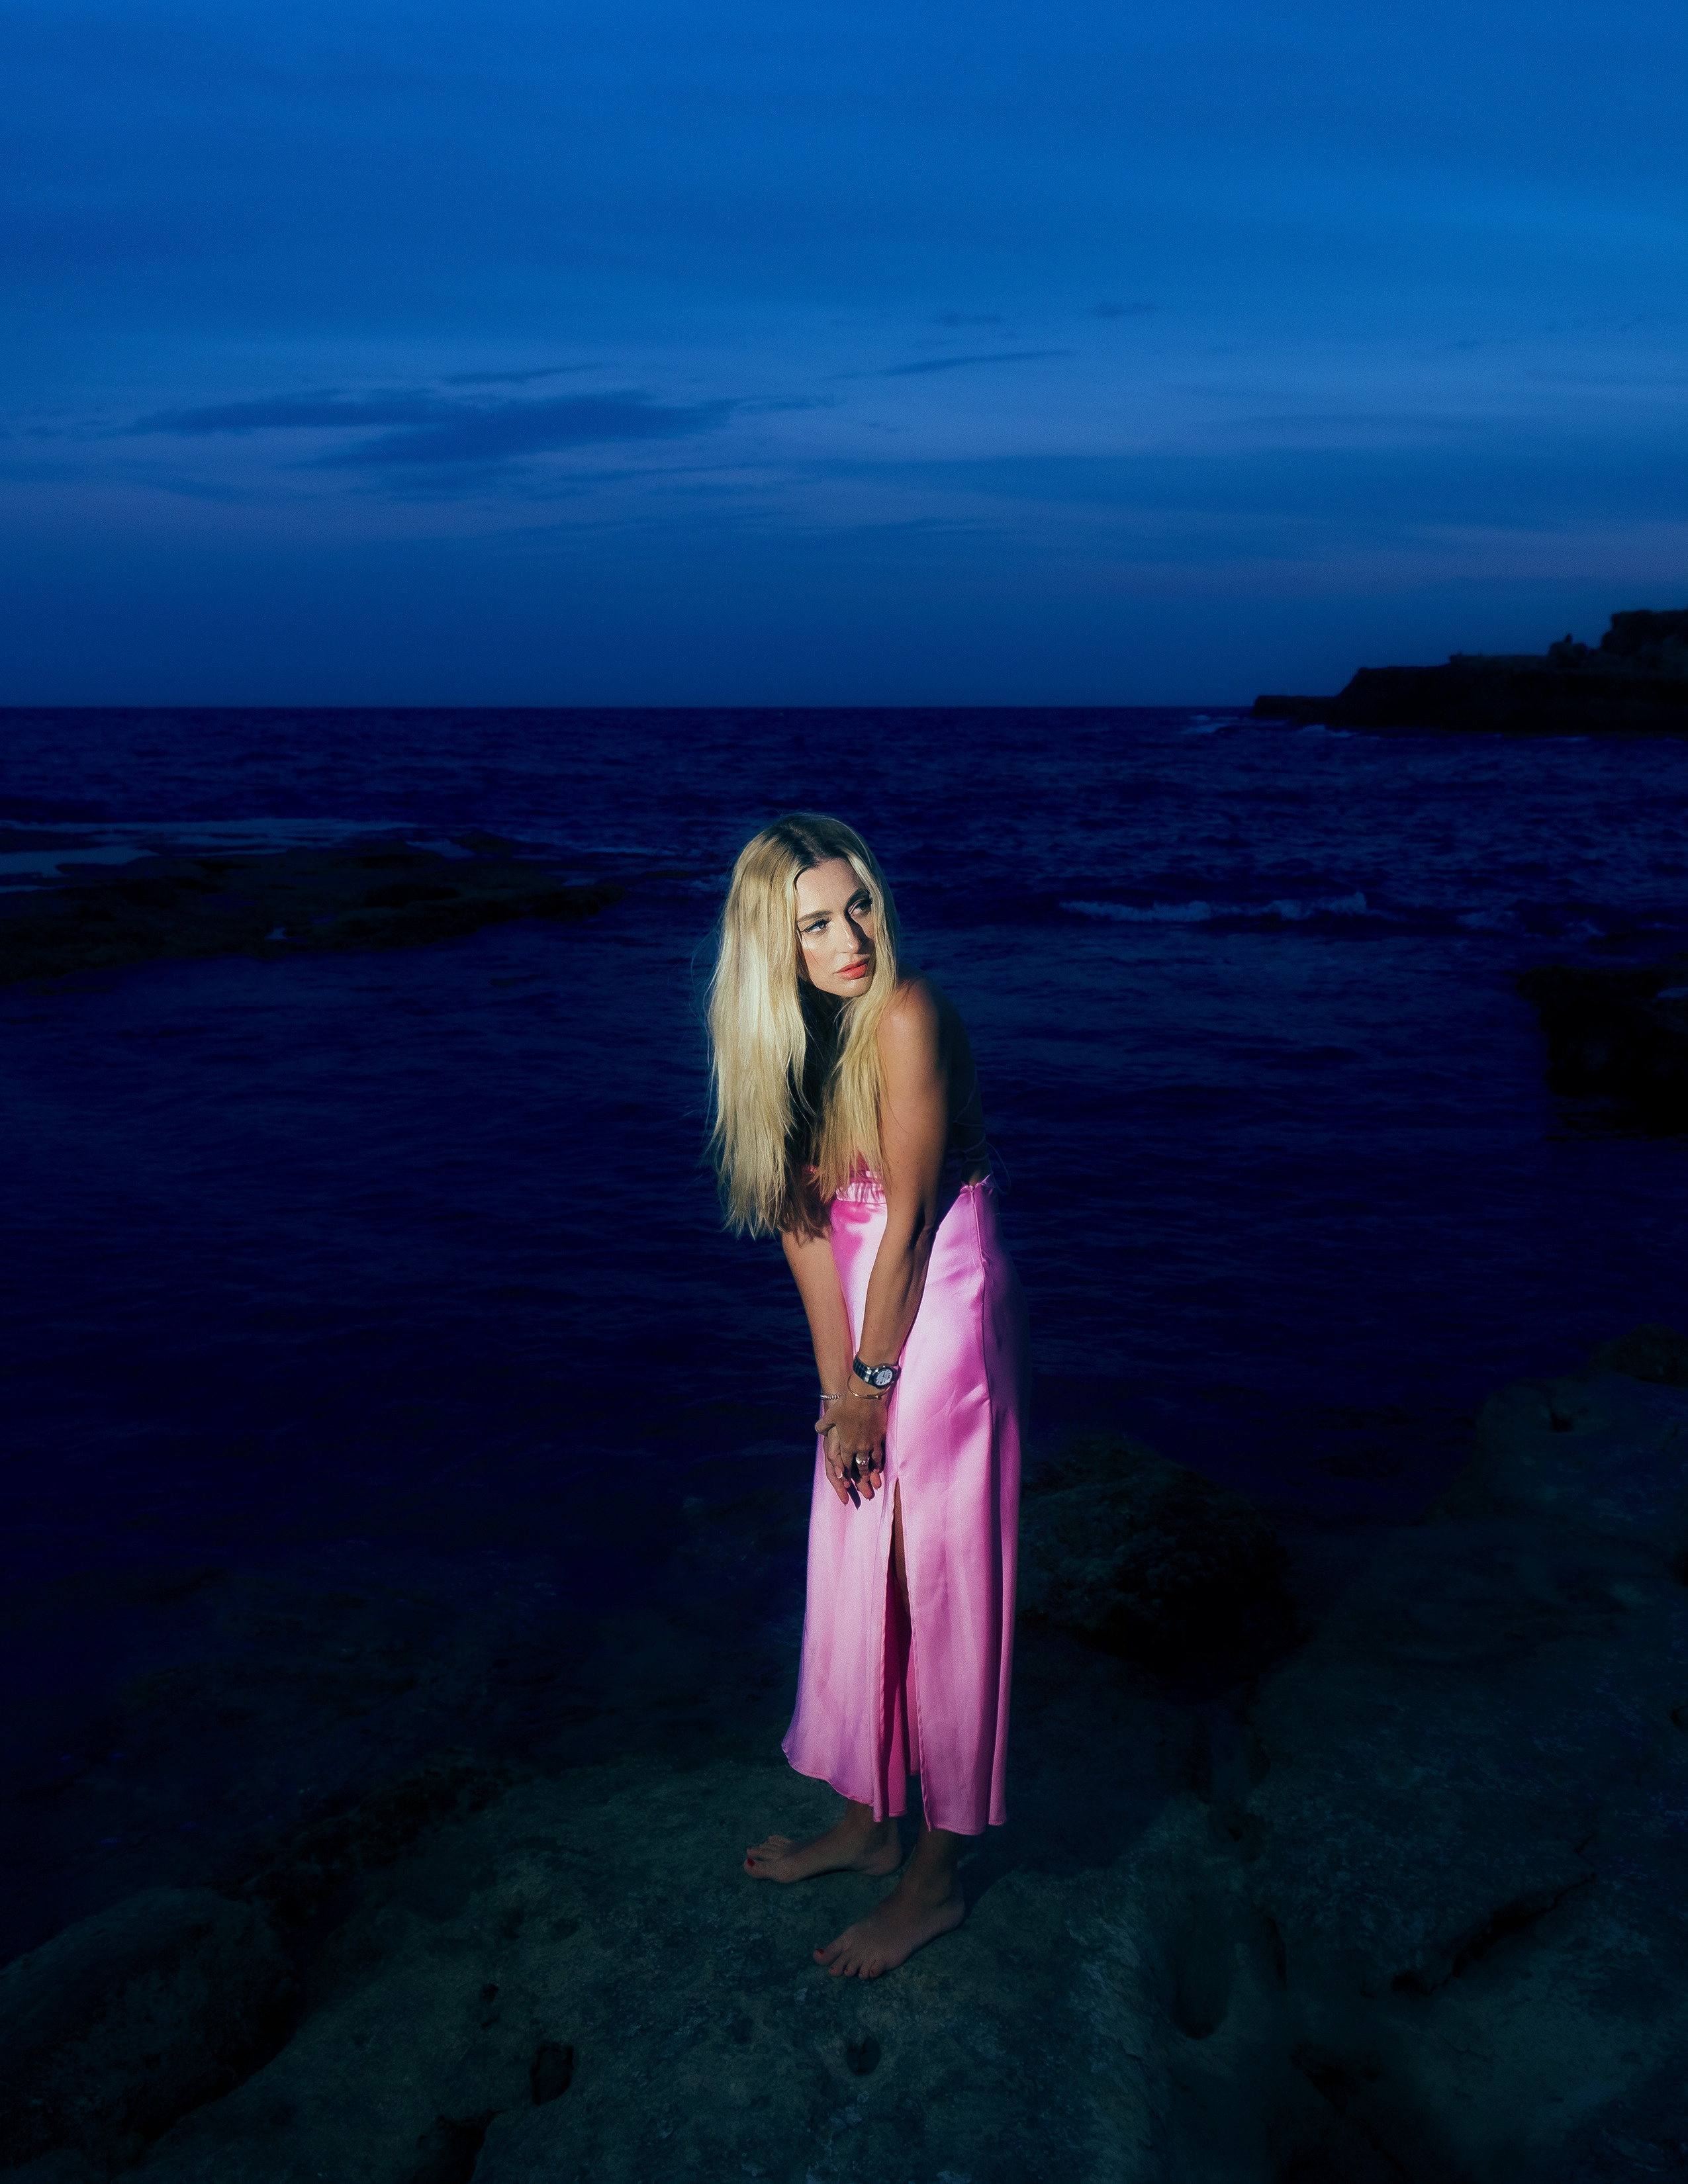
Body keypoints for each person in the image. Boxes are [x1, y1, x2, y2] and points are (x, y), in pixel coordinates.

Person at [706, 813, 1027, 1979]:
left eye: (860, 907)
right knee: (854, 1560)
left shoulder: (906, 1014)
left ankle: (934, 1881)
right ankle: (866, 1819)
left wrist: (878, 1385)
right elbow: (805, 1236)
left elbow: (902, 1221)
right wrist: (836, 1397)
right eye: (814, 923)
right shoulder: (777, 1048)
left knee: (936, 1581)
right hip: (867, 1313)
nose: (849, 937)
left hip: (938, 1288)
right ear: (771, 947)